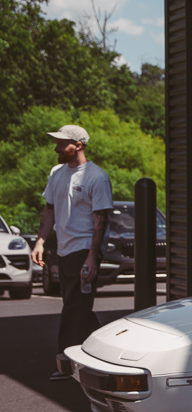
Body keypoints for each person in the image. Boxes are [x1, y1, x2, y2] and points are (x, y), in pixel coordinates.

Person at [30, 124, 113, 380]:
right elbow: (49, 210)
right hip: (63, 249)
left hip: (84, 249)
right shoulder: (56, 173)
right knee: (77, 306)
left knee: (73, 308)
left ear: (78, 145)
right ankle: (105, 353)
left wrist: (92, 256)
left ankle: (66, 362)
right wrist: (40, 241)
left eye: (61, 143)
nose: (56, 148)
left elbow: (100, 219)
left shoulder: (96, 177)